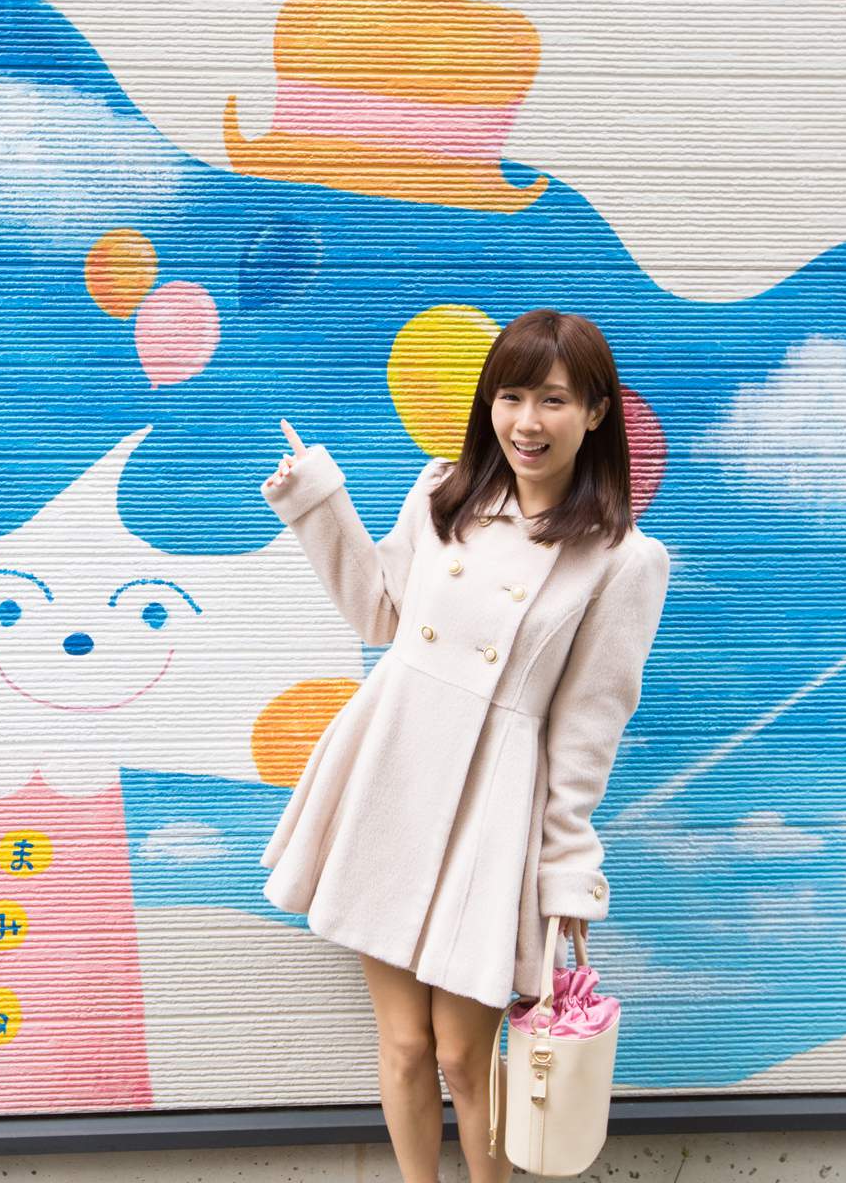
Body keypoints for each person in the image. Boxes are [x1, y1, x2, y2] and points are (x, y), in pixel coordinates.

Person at [258, 307, 670, 1183]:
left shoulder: (623, 559)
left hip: (493, 805)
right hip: (394, 776)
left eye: (553, 400)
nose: (527, 422)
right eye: (510, 396)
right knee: (405, 1045)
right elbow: (379, 613)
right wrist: (317, 501)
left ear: (595, 413)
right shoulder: (445, 492)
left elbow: (588, 729)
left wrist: (565, 872)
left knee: (462, 1056)